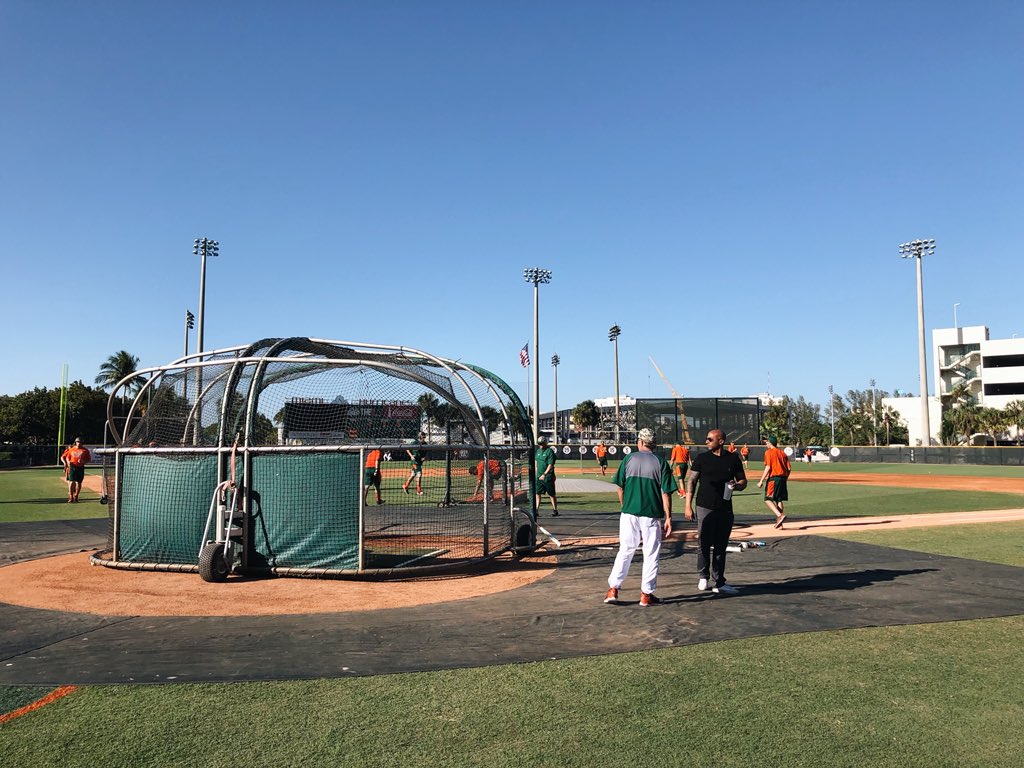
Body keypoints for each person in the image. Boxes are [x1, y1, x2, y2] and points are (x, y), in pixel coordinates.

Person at [604, 428, 674, 607]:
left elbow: (620, 487)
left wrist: (624, 506)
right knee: (651, 553)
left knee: (626, 550)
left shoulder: (629, 458)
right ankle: (646, 594)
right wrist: (668, 517)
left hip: (629, 513)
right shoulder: (660, 462)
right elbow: (666, 493)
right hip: (651, 514)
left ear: (641, 442)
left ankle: (613, 589)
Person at [685, 428, 747, 595]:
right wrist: (687, 505)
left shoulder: (732, 458)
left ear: (720, 441)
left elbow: (743, 480)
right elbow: (691, 480)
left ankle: (719, 581)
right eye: (707, 438)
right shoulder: (702, 458)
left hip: (725, 507)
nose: (706, 441)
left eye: (710, 439)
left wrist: (738, 486)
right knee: (704, 542)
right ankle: (703, 576)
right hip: (704, 505)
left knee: (721, 545)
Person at [757, 434, 791, 528]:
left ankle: (780, 516)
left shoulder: (769, 452)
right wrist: (785, 478)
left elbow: (768, 467)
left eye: (767, 442)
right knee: (779, 499)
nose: (766, 443)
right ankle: (780, 524)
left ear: (770, 443)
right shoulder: (783, 453)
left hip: (773, 478)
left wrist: (761, 481)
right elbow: (789, 468)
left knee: (767, 499)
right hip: (783, 478)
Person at [60, 437, 92, 503]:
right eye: (77, 442)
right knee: (71, 481)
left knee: (79, 482)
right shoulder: (71, 450)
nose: (79, 443)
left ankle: (76, 495)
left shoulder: (85, 450)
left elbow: (88, 459)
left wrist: (83, 461)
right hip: (73, 466)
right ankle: (71, 496)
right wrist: (67, 462)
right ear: (75, 442)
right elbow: (67, 457)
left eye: (80, 442)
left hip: (80, 467)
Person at [534, 435, 559, 517]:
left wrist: (544, 474)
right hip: (538, 476)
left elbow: (550, 464)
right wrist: (537, 473)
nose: (540, 445)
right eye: (539, 444)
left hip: (548, 477)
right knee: (537, 493)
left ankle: (555, 510)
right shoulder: (538, 451)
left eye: (541, 443)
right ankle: (536, 510)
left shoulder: (549, 451)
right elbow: (536, 462)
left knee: (551, 494)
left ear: (545, 443)